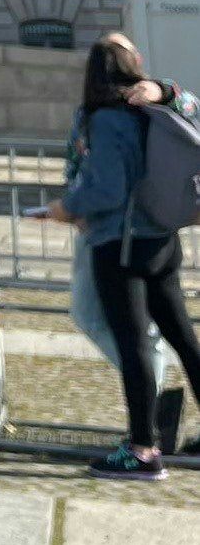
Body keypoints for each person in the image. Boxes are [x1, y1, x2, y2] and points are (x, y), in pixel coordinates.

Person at [41, 33, 200, 479]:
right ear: (132, 65)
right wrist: (165, 90)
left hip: (121, 245)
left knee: (133, 347)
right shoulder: (152, 109)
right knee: (185, 340)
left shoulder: (106, 118)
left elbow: (106, 188)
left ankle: (143, 450)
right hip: (162, 240)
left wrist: (63, 209)